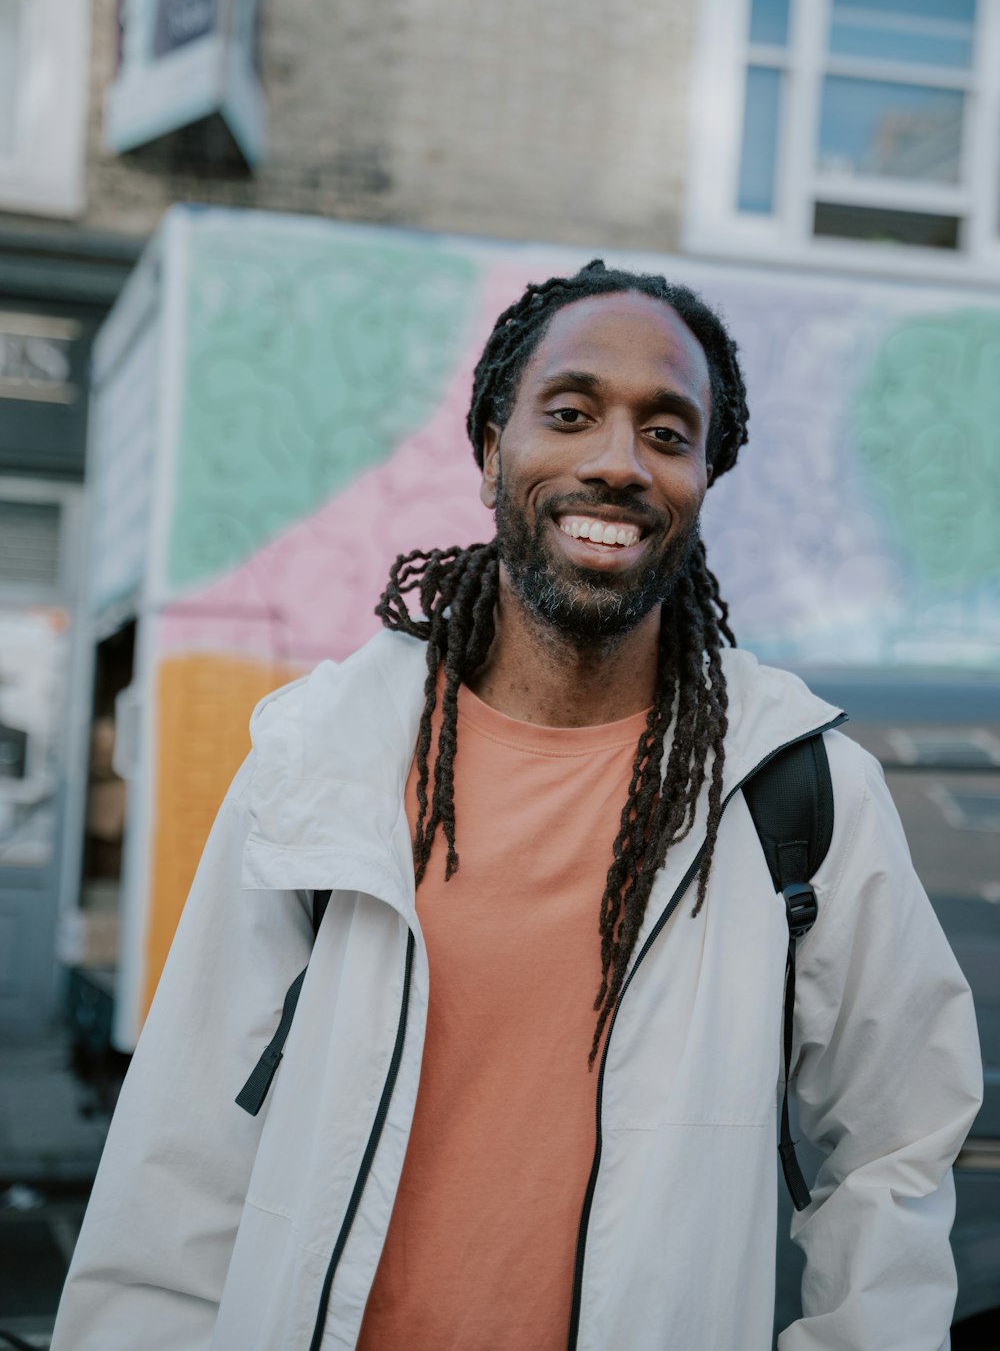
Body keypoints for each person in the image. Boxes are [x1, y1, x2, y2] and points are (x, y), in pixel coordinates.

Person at [52, 261, 982, 1351]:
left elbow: (896, 1144)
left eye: (668, 433)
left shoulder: (796, 789)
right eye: (571, 413)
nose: (618, 463)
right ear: (492, 445)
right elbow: (182, 1149)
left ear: (703, 478)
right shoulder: (326, 757)